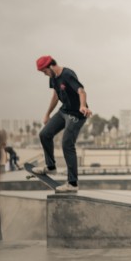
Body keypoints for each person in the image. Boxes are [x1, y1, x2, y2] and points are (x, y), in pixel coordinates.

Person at [33, 56, 92, 193]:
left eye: (44, 72)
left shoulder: (67, 74)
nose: (44, 74)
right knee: (44, 134)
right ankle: (51, 167)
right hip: (64, 111)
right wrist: (47, 114)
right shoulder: (53, 77)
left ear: (51, 66)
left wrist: (82, 106)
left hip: (76, 114)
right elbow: (55, 95)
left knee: (67, 143)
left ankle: (72, 183)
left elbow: (81, 91)